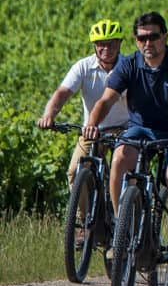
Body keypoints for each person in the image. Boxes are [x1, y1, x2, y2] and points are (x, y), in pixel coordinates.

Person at [83, 11, 168, 271]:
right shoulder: (129, 64)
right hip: (141, 130)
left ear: (165, 37)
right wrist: (92, 124)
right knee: (118, 159)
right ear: (135, 40)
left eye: (153, 37)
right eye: (142, 38)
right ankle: (120, 228)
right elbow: (106, 100)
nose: (147, 43)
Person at [39, 18, 132, 188]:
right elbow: (62, 94)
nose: (106, 49)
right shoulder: (83, 67)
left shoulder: (128, 67)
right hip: (91, 129)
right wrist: (49, 115)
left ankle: (125, 212)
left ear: (120, 43)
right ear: (94, 45)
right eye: (101, 44)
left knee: (126, 173)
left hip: (124, 130)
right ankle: (82, 215)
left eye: (111, 44)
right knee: (75, 171)